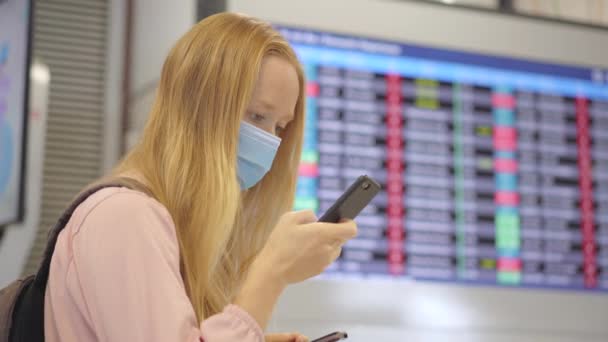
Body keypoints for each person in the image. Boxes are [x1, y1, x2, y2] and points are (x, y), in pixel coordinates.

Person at [43, 12, 357, 342]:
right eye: (257, 116)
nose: (270, 142)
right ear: (199, 108)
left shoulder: (183, 231)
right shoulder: (125, 217)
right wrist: (272, 272)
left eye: (279, 127)